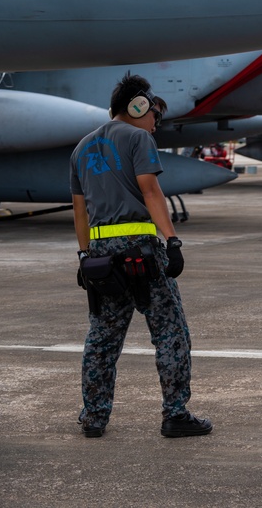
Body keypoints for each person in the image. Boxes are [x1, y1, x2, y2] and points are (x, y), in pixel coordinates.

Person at [70, 73, 212, 439]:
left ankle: (94, 417)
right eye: (154, 115)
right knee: (170, 332)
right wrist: (173, 240)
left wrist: (85, 255)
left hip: (101, 257)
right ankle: (175, 414)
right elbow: (151, 192)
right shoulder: (138, 138)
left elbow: (80, 210)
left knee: (102, 339)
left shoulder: (81, 148)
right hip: (142, 252)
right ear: (138, 106)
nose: (155, 124)